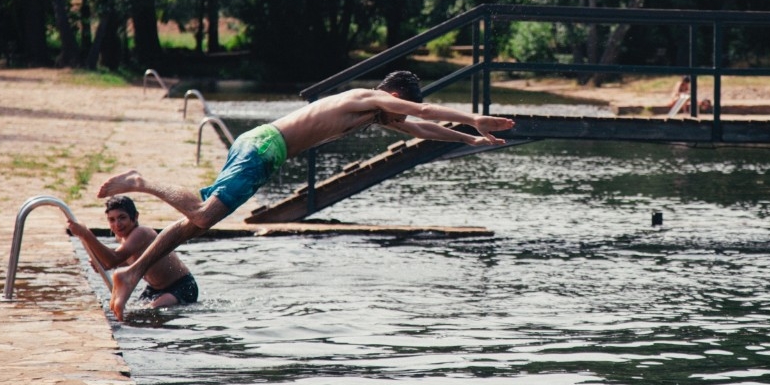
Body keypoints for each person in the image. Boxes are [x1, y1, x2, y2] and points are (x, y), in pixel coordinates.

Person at [97, 70, 515, 319]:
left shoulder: (377, 113)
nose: (401, 116)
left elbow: (421, 127)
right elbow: (423, 113)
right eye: (400, 108)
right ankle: (140, 182)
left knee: (192, 226)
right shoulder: (367, 98)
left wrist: (471, 139)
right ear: (393, 95)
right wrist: (474, 116)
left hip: (263, 150)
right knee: (205, 215)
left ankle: (131, 274)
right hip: (264, 149)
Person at [66, 196, 199, 309]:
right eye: (111, 220)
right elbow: (119, 261)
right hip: (154, 289)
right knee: (133, 312)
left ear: (135, 217)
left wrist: (86, 234)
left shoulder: (142, 233)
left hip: (182, 286)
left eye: (122, 218)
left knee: (147, 312)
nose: (117, 224)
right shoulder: (122, 238)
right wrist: (101, 263)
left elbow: (113, 259)